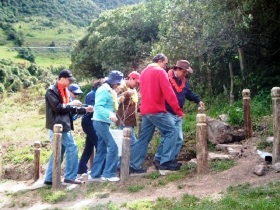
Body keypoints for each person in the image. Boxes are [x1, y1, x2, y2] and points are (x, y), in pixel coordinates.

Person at [129, 53, 184, 174]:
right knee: (172, 131)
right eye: (165, 63)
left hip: (146, 110)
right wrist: (178, 110)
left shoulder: (143, 72)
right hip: (156, 110)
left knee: (144, 138)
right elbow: (168, 92)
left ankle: (133, 164)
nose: (166, 66)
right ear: (159, 61)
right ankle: (165, 161)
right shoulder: (160, 72)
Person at [44, 69, 93, 185]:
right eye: (69, 80)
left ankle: (49, 178)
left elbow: (70, 109)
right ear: (62, 78)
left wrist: (85, 109)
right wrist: (71, 104)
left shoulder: (65, 91)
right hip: (57, 126)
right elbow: (58, 107)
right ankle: (70, 176)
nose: (70, 82)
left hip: (63, 126)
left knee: (58, 151)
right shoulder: (51, 91)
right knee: (72, 147)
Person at [154, 60, 205, 169]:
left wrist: (198, 100)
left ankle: (168, 159)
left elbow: (188, 93)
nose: (185, 74)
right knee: (170, 135)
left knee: (178, 138)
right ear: (177, 69)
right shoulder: (166, 78)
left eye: (186, 73)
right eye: (184, 72)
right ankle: (164, 161)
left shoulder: (184, 81)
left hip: (178, 113)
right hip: (167, 111)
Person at [88, 70, 123, 182]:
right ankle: (108, 174)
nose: (118, 86)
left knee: (102, 149)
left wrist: (118, 100)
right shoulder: (103, 90)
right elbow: (98, 107)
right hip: (100, 122)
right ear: (113, 82)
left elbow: (108, 104)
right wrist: (110, 114)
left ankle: (95, 174)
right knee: (113, 146)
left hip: (103, 122)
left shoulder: (108, 90)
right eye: (117, 83)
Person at [77, 78, 105, 176]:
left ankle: (81, 168)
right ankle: (100, 169)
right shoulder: (92, 95)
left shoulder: (94, 94)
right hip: (89, 122)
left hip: (91, 122)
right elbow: (94, 108)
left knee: (89, 146)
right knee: (99, 144)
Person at [116, 71, 140, 145]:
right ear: (131, 79)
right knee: (131, 143)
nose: (137, 85)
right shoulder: (121, 87)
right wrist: (125, 94)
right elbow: (114, 99)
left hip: (130, 121)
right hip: (123, 121)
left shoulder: (132, 89)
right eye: (136, 82)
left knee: (127, 143)